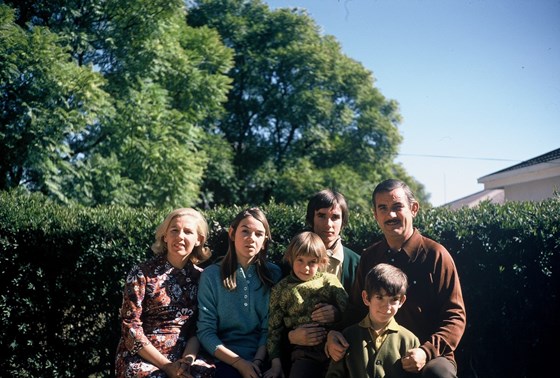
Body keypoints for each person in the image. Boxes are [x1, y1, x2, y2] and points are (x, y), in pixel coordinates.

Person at [326, 179, 466, 378]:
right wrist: (334, 334)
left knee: (438, 374)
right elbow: (356, 307)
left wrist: (426, 352)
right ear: (375, 214)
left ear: (414, 208)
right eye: (382, 208)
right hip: (375, 347)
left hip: (428, 354)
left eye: (397, 207)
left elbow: (455, 316)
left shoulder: (436, 255)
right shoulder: (369, 257)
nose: (390, 215)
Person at [115, 208, 215, 378]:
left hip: (185, 355)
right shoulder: (142, 273)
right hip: (143, 356)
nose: (180, 236)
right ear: (165, 236)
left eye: (188, 232)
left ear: (199, 240)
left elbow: (198, 328)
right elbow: (130, 325)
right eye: (174, 230)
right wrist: (167, 366)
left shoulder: (202, 278)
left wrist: (186, 363)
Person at [197, 207, 283, 378]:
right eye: (245, 231)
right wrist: (239, 363)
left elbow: (270, 329)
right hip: (222, 358)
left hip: (262, 356)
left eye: (259, 234)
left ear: (265, 240)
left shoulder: (274, 274)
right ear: (232, 233)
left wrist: (257, 362)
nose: (251, 239)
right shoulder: (211, 275)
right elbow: (205, 331)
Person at [286, 190, 361, 352]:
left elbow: (364, 312)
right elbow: (276, 314)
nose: (328, 224)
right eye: (321, 216)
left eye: (335, 217)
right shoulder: (291, 260)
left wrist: (339, 314)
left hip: (345, 348)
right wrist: (291, 336)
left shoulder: (358, 264)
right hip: (300, 352)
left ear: (343, 221)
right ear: (311, 219)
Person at [266, 231, 348, 378]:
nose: (306, 268)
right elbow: (274, 330)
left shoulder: (329, 281)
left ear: (322, 262)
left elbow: (349, 311)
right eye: (300, 260)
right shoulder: (281, 289)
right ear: (290, 259)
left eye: (312, 262)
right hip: (304, 351)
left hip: (335, 346)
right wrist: (275, 364)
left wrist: (337, 316)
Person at [325, 263, 420, 378]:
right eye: (380, 298)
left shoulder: (409, 340)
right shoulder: (348, 336)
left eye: (394, 299)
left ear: (402, 301)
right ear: (366, 298)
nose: (387, 307)